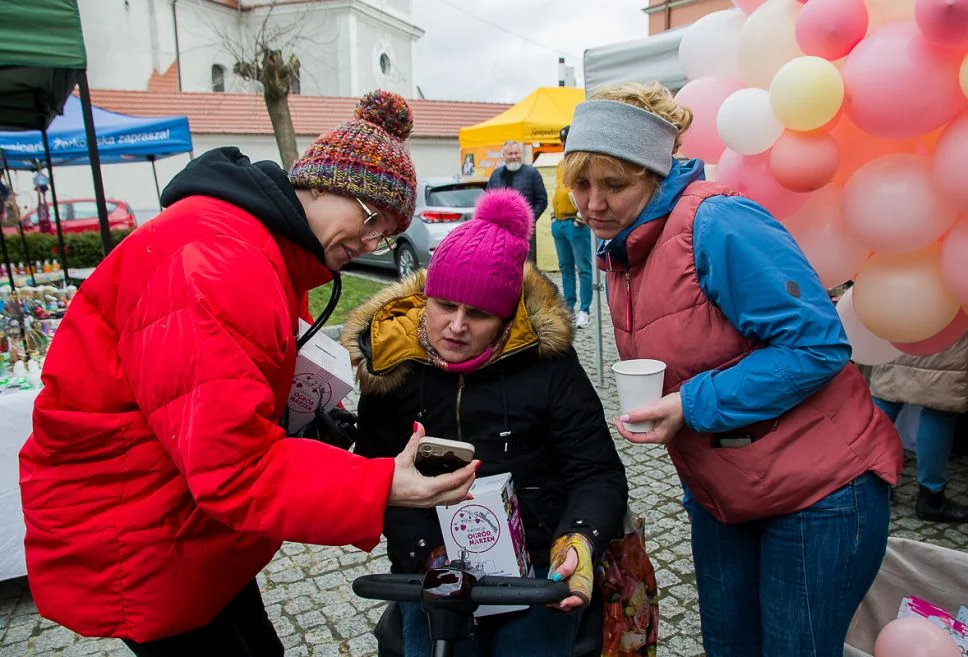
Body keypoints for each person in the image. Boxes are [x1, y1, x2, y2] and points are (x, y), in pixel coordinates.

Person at [19, 90, 478, 657]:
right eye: (368, 219)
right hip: (139, 532)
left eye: (384, 234)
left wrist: (304, 421)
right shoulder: (220, 264)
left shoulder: (257, 247)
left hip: (183, 523)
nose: (369, 243)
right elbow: (232, 468)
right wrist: (381, 484)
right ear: (317, 182)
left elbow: (217, 399)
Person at [562, 81, 904, 657]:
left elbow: (817, 345)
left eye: (613, 184)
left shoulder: (717, 222)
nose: (593, 202)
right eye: (580, 184)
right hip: (726, 492)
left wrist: (689, 405)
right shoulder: (622, 250)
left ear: (654, 174)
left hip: (821, 492)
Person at [343, 187, 628, 657]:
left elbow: (596, 472)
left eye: (478, 314)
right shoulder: (392, 367)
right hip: (427, 568)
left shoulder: (549, 364)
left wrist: (577, 539)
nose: (456, 325)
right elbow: (375, 471)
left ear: (505, 318)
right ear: (425, 297)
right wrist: (421, 548)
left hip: (534, 566)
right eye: (444, 305)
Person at [868, 329, 968, 523]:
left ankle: (870, 483)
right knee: (939, 406)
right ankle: (932, 497)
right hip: (946, 325)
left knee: (886, 396)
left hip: (900, 320)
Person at [550, 125, 593, 329]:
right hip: (559, 222)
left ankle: (584, 309)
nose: (565, 145)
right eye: (563, 142)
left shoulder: (582, 162)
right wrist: (553, 215)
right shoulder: (560, 163)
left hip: (575, 223)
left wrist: (581, 218)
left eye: (568, 141)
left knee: (583, 268)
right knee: (565, 268)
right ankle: (569, 308)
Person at [488, 140, 548, 262]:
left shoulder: (532, 173)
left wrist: (528, 220)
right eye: (510, 154)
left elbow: (542, 201)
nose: (514, 157)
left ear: (521, 154)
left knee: (526, 267)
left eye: (516, 153)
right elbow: (488, 202)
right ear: (503, 156)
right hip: (501, 234)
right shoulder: (495, 175)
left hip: (525, 233)